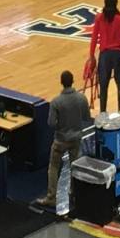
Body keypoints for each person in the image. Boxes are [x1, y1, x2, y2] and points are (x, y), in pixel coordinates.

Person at [44, 70, 90, 218]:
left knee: (53, 166)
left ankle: (52, 197)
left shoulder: (56, 101)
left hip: (60, 139)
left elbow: (51, 123)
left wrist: (61, 126)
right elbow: (87, 117)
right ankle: (74, 193)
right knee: (74, 167)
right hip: (76, 138)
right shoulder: (81, 98)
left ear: (61, 82)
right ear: (73, 81)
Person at [88, 0, 120, 114]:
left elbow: (94, 38)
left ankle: (103, 114)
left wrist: (91, 56)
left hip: (104, 55)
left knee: (103, 87)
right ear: (116, 3)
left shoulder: (99, 18)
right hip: (119, 55)